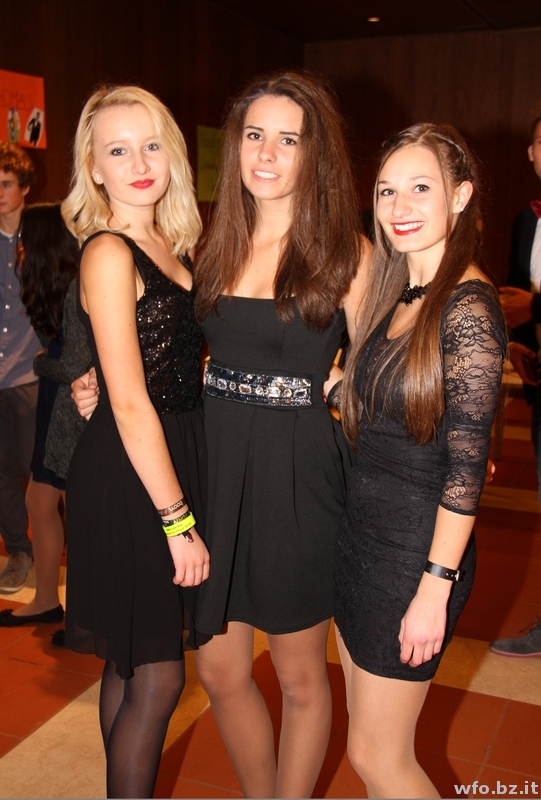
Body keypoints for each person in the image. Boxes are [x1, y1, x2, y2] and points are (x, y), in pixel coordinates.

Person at [192, 69, 368, 798]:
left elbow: (389, 368)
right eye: (254, 135)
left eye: (287, 140)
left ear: (314, 154)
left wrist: (346, 382)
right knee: (218, 668)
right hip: (217, 468)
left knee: (299, 675)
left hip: (299, 475)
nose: (266, 154)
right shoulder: (212, 242)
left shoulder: (347, 253)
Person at [333, 123, 506, 798]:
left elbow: (465, 475)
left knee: (380, 758)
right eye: (386, 191)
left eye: (420, 188)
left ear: (459, 196)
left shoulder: (467, 308)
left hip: (412, 558)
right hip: (362, 540)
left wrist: (434, 589)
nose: (399, 206)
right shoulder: (400, 293)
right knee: (366, 750)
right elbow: (391, 405)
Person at [61, 85, 210, 798]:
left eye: (151, 145)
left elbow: (170, 362)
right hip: (133, 477)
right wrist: (178, 521)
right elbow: (127, 401)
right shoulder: (108, 251)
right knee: (158, 675)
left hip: (165, 453)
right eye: (118, 151)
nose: (140, 164)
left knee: (129, 663)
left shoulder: (174, 245)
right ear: (93, 168)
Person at [0, 202, 90, 628]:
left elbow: (72, 363)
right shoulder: (55, 285)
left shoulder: (75, 287)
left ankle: (82, 613)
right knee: (41, 501)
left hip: (71, 407)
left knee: (70, 506)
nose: (18, 249)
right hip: (58, 403)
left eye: (24, 242)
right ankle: (48, 601)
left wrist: (39, 363)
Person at [490, 108, 541, 658]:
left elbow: (530, 301)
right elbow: (512, 294)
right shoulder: (526, 220)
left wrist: (537, 307)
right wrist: (517, 344)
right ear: (532, 152)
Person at [0, 141, 39, 594]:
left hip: (31, 375)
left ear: (25, 188)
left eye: (6, 184)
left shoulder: (44, 237)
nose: (0, 193)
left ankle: (56, 552)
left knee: (41, 477)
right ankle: (18, 551)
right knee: (3, 474)